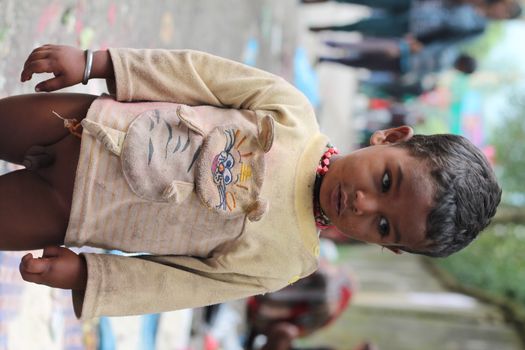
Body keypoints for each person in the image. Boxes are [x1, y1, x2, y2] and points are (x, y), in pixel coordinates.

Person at [0, 44, 500, 319]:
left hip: (70, 213)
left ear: (385, 247)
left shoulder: (288, 260)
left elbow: (178, 286)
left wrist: (90, 276)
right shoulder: (292, 113)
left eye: (385, 226)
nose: (364, 203)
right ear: (390, 135)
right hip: (81, 123)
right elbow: (193, 74)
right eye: (387, 180)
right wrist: (96, 63)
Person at [307, 0, 522, 44]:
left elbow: (447, 38)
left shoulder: (479, 28)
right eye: (506, 8)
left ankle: (329, 28)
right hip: (415, 3)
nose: (502, 12)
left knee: (366, 26)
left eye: (507, 15)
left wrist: (420, 41)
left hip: (413, 27)